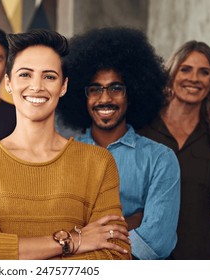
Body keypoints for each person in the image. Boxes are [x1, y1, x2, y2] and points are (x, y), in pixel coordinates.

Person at [0, 29, 131, 260]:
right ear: (9, 83)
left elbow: (115, 255)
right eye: (25, 75)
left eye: (49, 76)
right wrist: (71, 242)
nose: (36, 86)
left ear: (63, 86)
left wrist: (3, 248)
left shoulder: (99, 162)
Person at [56, 27, 181, 260]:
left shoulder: (160, 159)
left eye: (116, 88)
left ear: (131, 93)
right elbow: (53, 228)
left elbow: (157, 241)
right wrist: (132, 220)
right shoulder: (63, 154)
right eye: (95, 89)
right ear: (81, 96)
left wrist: (83, 238)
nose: (105, 98)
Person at [139, 41, 210, 259]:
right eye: (186, 69)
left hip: (199, 260)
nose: (194, 78)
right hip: (144, 260)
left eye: (204, 72)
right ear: (172, 75)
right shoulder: (142, 129)